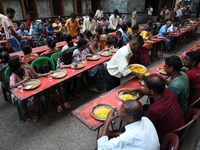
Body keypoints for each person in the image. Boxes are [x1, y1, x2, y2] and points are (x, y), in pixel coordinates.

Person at [9, 56, 48, 121]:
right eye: (20, 59)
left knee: (37, 95)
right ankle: (26, 112)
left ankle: (36, 111)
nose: (22, 59)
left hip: (31, 87)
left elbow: (35, 76)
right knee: (21, 100)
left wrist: (30, 68)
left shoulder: (26, 68)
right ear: (17, 63)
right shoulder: (13, 74)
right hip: (20, 90)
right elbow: (11, 86)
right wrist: (23, 81)